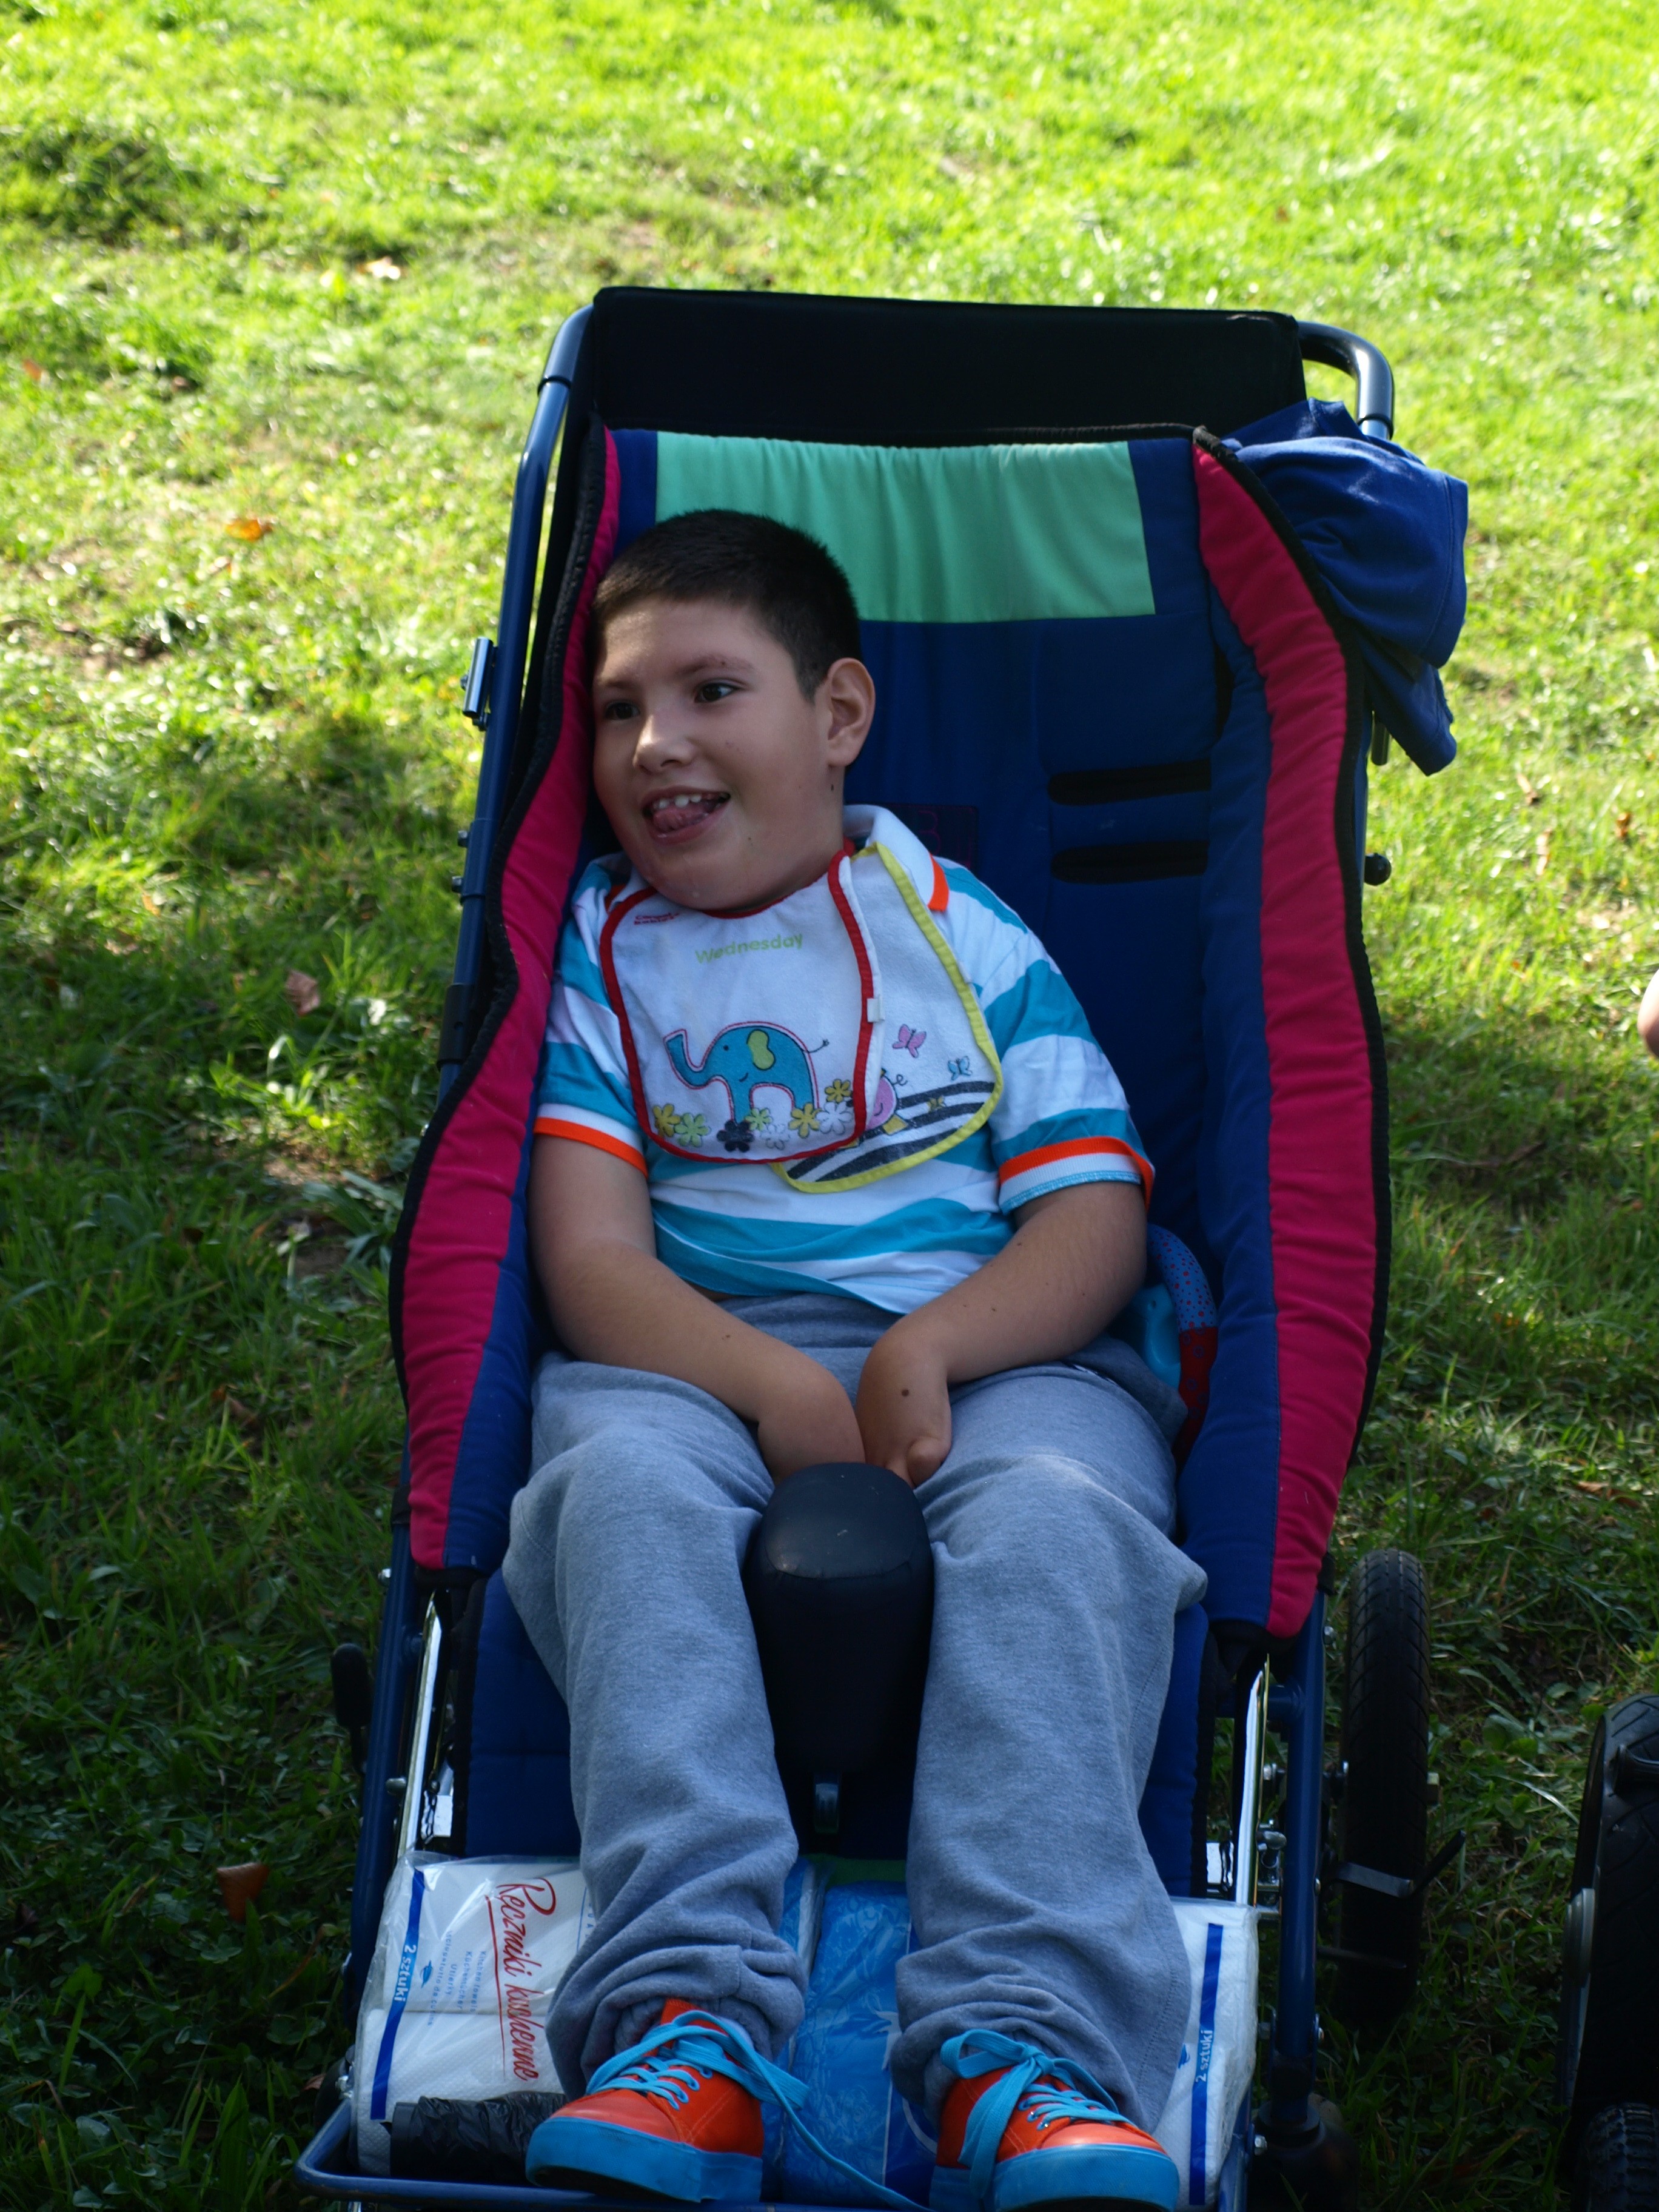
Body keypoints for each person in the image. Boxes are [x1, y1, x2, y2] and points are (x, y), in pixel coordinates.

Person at [504, 508, 1204, 2212]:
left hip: (1002, 1347)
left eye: (711, 691)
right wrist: (766, 1383)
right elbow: (591, 1261)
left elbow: (1093, 1217)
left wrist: (937, 1345)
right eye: (616, 708)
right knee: (617, 1493)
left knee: (1056, 1522)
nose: (654, 744)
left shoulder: (964, 933)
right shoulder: (597, 956)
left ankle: (1023, 2045)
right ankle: (685, 2021)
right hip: (690, 1352)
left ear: (838, 716)